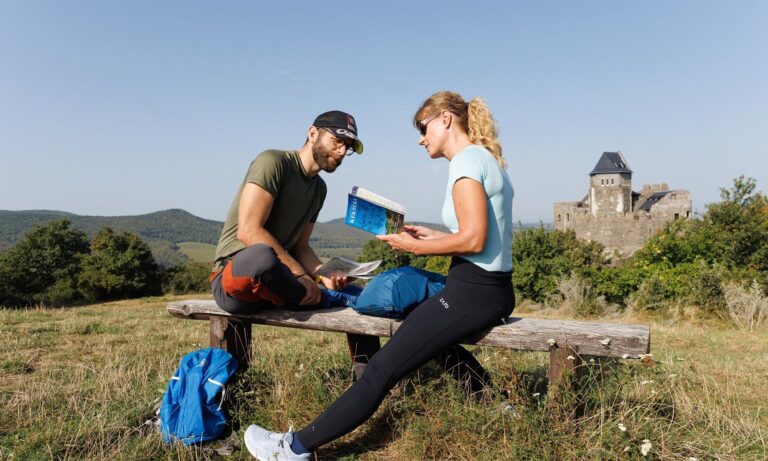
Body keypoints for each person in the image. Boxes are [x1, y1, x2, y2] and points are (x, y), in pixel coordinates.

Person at [243, 91, 516, 460]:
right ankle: (496, 406)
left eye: (422, 127)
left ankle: (294, 448)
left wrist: (413, 248)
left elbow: (474, 239)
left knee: (382, 370)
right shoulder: (483, 158)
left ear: (445, 119)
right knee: (429, 335)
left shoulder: (465, 161)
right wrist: (430, 236)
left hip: (473, 291)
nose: (421, 138)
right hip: (486, 288)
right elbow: (484, 236)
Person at [210, 110, 380, 379]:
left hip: (281, 282)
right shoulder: (273, 162)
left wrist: (324, 276)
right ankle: (316, 296)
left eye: (347, 146)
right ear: (312, 133)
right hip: (236, 279)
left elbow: (302, 248)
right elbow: (249, 230)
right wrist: (301, 275)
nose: (342, 151)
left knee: (360, 296)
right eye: (338, 140)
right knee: (263, 257)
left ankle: (369, 379)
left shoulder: (319, 189)